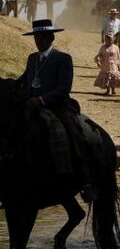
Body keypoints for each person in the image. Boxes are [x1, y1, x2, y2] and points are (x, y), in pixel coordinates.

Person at [17, 19, 96, 202]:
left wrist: (42, 99)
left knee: (68, 131)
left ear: (51, 38)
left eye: (43, 37)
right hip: (30, 104)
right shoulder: (32, 58)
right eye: (37, 37)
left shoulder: (63, 58)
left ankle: (84, 181)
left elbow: (64, 88)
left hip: (57, 105)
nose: (39, 40)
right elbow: (24, 81)